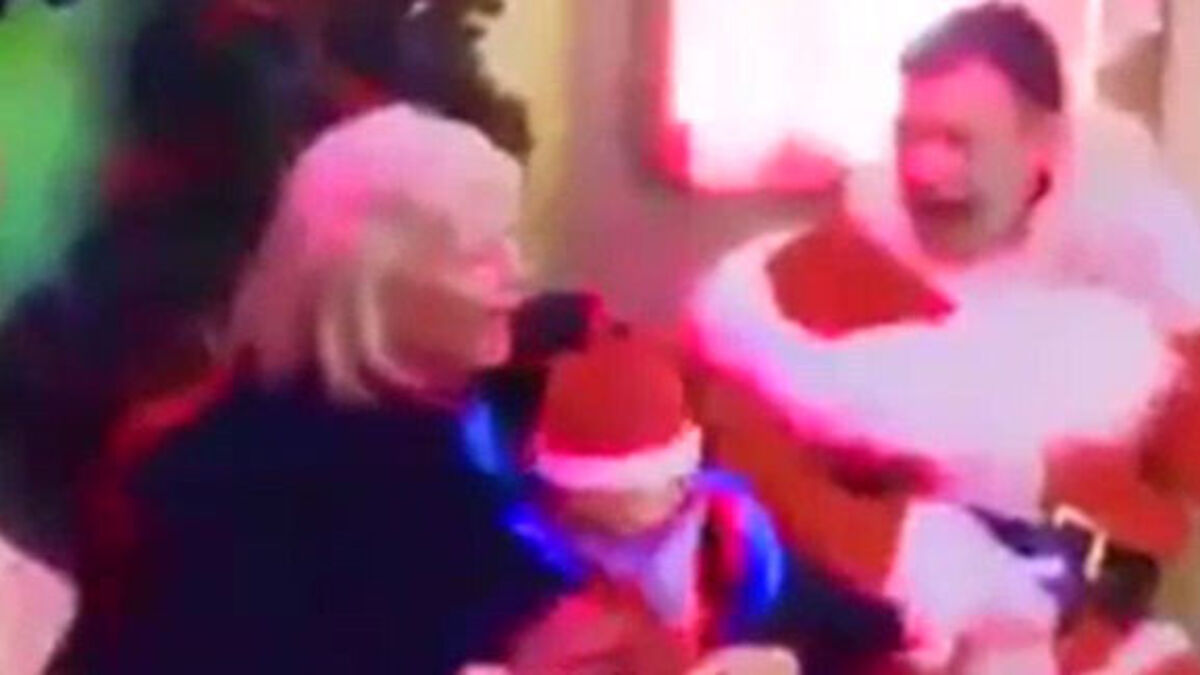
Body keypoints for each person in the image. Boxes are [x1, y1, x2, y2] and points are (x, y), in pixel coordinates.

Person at [687, 4, 1200, 672]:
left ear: (1043, 142)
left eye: (958, 141)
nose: (925, 169)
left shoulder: (1137, 292)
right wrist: (903, 549)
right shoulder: (820, 278)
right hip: (899, 641)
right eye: (910, 137)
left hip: (1092, 643)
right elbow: (733, 447)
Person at [67, 101, 573, 674]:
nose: (518, 273)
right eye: (480, 255)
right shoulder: (251, 492)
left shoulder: (430, 432)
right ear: (376, 284)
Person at [488, 332, 904, 672]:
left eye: (639, 489)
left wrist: (786, 660)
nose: (624, 513)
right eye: (599, 498)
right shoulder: (516, 561)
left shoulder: (739, 546)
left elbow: (866, 632)